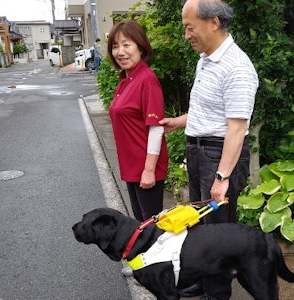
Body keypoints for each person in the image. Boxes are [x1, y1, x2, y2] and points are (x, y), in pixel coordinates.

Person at [159, 0, 259, 299]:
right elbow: (209, 112)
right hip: (202, 153)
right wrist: (179, 122)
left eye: (190, 27)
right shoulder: (207, 58)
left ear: (213, 22)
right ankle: (205, 283)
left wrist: (222, 176)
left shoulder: (237, 67)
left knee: (217, 236)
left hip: (219, 157)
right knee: (201, 227)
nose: (186, 35)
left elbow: (237, 128)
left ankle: (217, 294)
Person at [107, 21, 169, 223]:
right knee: (140, 224)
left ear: (141, 48)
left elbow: (156, 128)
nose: (120, 52)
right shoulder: (126, 80)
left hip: (145, 167)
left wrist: (149, 171)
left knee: (150, 227)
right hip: (131, 166)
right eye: (115, 46)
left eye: (126, 44)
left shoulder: (147, 79)